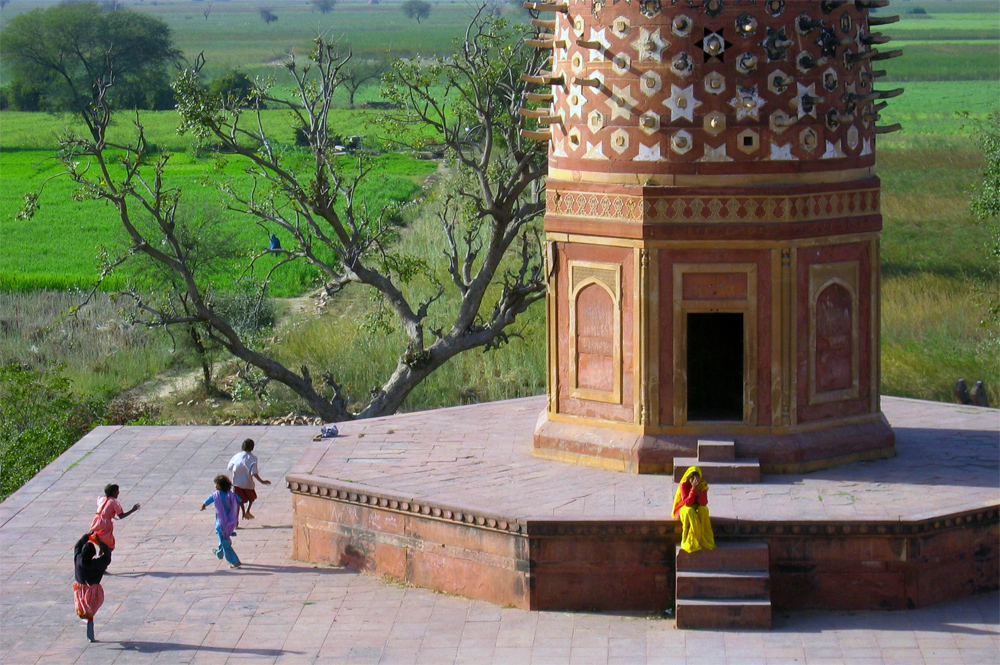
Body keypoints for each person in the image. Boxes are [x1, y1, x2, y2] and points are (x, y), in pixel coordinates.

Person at [73, 531, 111, 642]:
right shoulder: (97, 564)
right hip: (93, 590)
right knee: (90, 610)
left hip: (80, 589)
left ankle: (87, 619)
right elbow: (107, 556)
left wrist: (86, 536)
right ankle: (89, 620)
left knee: (84, 609)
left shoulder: (78, 560)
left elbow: (77, 546)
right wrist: (99, 542)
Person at [89, 484, 140, 561]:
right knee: (110, 546)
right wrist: (132, 510)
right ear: (113, 493)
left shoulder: (101, 498)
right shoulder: (114, 502)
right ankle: (101, 562)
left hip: (96, 521)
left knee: (102, 542)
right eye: (117, 491)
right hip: (105, 524)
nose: (118, 493)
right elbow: (121, 515)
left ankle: (99, 553)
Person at [201, 474, 242, 568]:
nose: (215, 486)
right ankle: (219, 552)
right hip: (230, 522)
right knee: (223, 539)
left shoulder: (216, 495)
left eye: (217, 484)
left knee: (225, 543)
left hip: (220, 523)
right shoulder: (231, 495)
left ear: (220, 485)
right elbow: (240, 501)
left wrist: (203, 505)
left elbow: (207, 501)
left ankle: (234, 561)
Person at [672, 466, 716, 554]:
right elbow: (687, 503)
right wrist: (693, 489)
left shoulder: (702, 485)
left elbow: (703, 503)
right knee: (689, 511)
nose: (695, 481)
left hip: (696, 506)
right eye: (692, 479)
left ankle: (704, 538)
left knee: (704, 510)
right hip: (683, 508)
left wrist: (699, 491)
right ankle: (691, 539)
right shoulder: (684, 485)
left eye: (697, 479)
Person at [227, 438, 271, 521]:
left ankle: (235, 521)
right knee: (251, 498)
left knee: (238, 502)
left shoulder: (236, 456)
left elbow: (229, 467)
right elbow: (254, 473)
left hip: (236, 482)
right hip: (248, 483)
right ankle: (247, 511)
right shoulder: (253, 458)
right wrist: (262, 481)